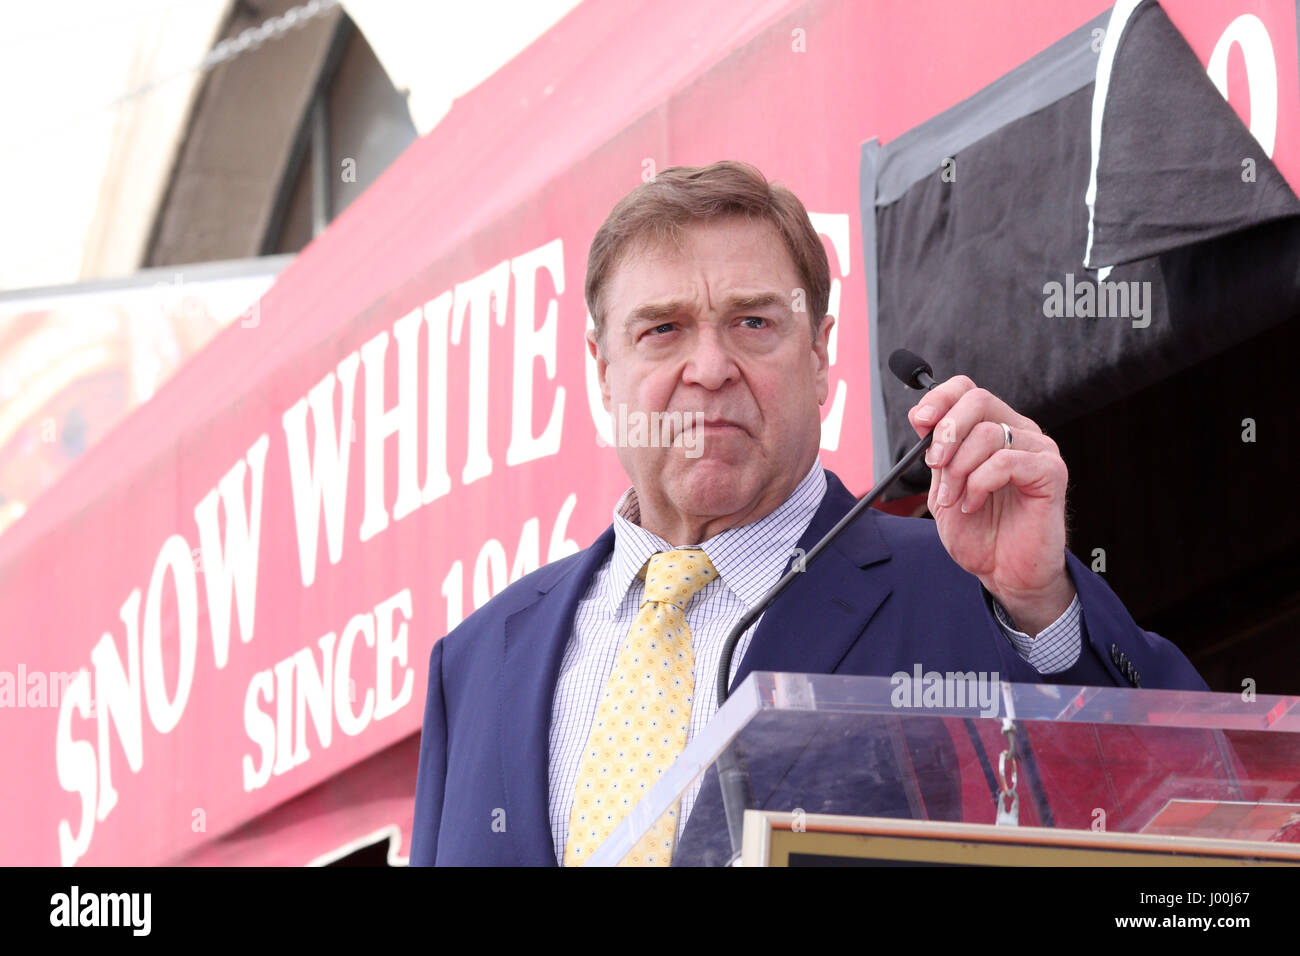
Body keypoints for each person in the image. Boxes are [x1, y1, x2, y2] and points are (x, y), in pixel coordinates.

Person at [409, 160, 1207, 867]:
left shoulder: (970, 590)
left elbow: (1191, 811)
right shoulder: (474, 666)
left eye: (754, 323)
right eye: (663, 330)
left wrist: (1041, 611)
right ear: (604, 369)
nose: (711, 368)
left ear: (821, 355)